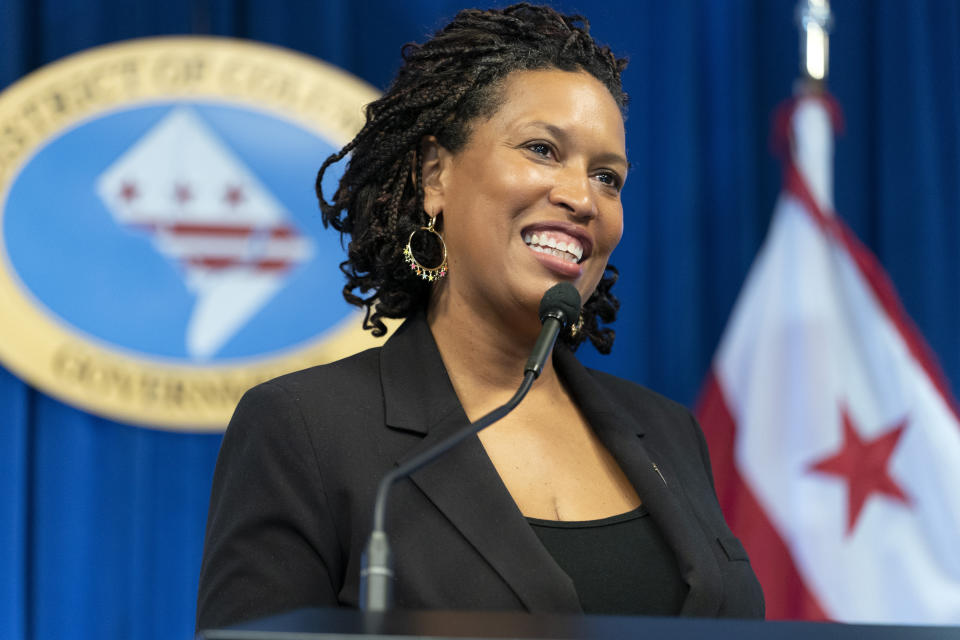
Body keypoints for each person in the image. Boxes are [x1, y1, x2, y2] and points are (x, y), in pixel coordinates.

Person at [196, 3, 765, 630]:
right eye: (543, 149)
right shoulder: (305, 430)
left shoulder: (667, 433)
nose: (582, 198)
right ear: (435, 176)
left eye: (608, 177)